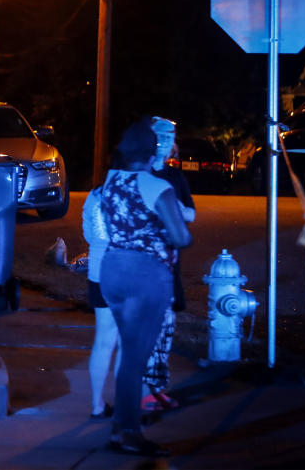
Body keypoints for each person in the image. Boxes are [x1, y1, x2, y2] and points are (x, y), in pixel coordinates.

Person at [99, 117, 191, 457]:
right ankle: (129, 433)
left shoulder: (110, 182)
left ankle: (119, 427)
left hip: (113, 269)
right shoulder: (157, 187)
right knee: (135, 359)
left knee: (129, 354)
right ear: (153, 154)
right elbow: (182, 236)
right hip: (145, 274)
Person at [141, 118, 195, 412]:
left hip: (169, 263)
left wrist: (172, 209)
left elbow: (190, 214)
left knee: (166, 330)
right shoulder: (139, 173)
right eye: (158, 134)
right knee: (148, 329)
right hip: (144, 265)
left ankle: (158, 387)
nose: (164, 140)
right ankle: (144, 392)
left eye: (169, 134)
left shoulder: (176, 177)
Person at [83, 178, 119, 420]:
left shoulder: (94, 195)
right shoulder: (133, 190)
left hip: (97, 271)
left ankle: (97, 404)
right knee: (126, 343)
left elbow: (88, 233)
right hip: (125, 271)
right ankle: (125, 401)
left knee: (103, 340)